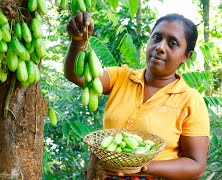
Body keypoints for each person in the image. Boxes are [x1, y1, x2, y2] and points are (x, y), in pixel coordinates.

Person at [64, 12, 210, 180]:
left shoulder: (190, 100)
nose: (160, 47)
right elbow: (77, 75)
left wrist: (143, 167)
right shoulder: (122, 77)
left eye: (172, 43)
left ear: (186, 56)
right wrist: (78, 41)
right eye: (156, 38)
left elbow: (196, 166)